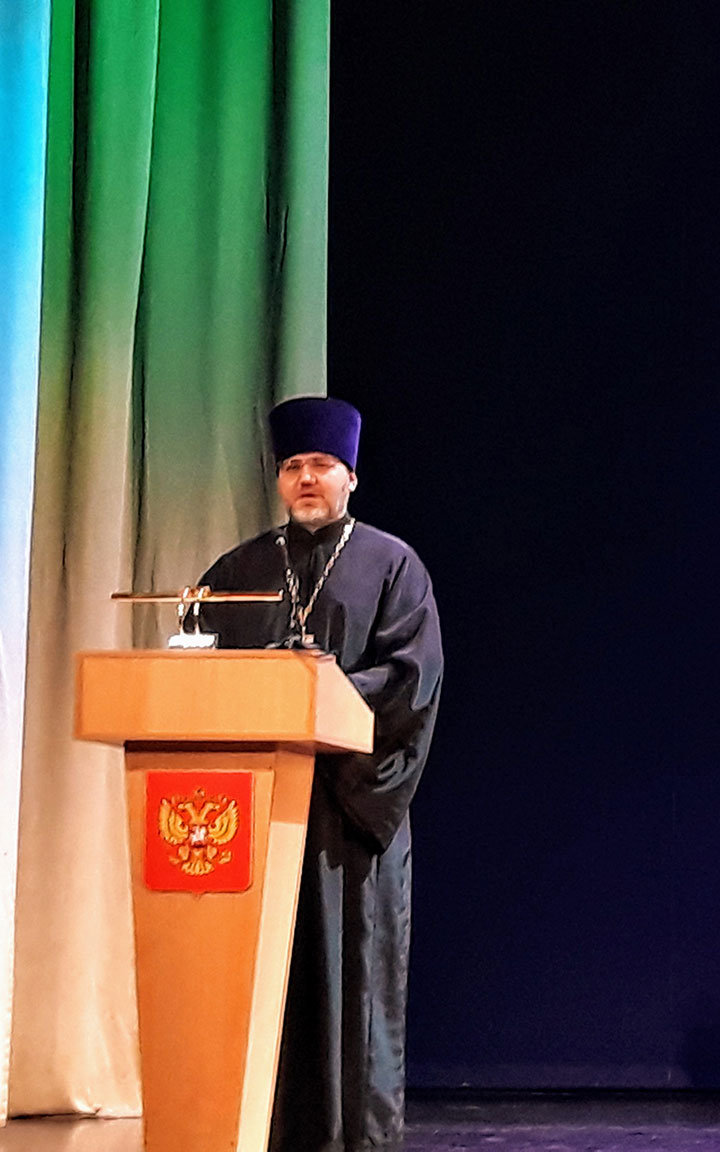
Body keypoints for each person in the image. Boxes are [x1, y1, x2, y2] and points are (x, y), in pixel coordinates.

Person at [198, 396, 443, 1152]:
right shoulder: (236, 571)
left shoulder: (392, 566)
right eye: (294, 467)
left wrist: (317, 691)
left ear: (351, 478)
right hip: (255, 809)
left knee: (352, 978)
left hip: (347, 811)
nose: (307, 479)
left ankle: (354, 1137)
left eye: (323, 466)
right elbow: (198, 672)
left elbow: (411, 681)